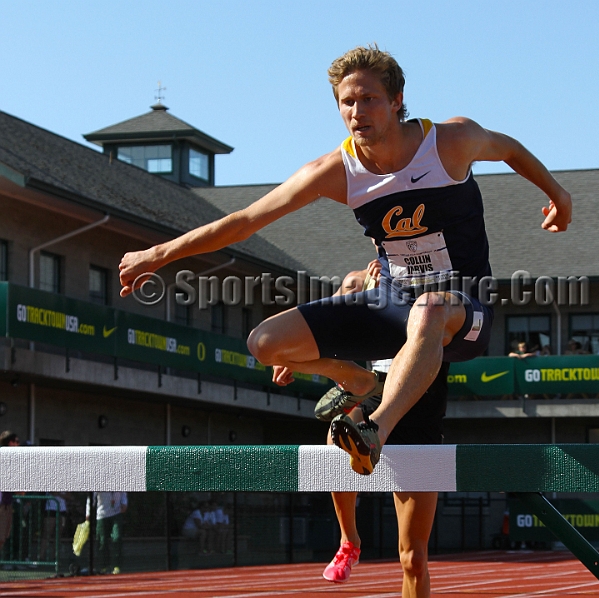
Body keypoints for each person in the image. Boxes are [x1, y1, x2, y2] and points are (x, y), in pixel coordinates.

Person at [118, 44, 572, 491]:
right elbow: (244, 222)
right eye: (347, 102)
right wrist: (156, 256)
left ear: (396, 101)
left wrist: (557, 194)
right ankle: (352, 377)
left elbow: (509, 148)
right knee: (265, 343)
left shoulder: (450, 142)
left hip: (460, 309)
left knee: (430, 309)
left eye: (369, 99)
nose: (357, 111)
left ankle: (375, 428)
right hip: (391, 306)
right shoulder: (336, 170)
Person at [275, 261, 450, 589]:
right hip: (376, 392)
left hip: (421, 405)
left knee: (413, 558)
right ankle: (349, 540)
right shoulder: (358, 282)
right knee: (335, 436)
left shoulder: (442, 286)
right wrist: (292, 357)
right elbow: (324, 328)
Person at [86, 491, 127, 574]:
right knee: (102, 541)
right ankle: (104, 566)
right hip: (102, 515)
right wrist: (88, 513)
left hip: (117, 513)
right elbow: (91, 498)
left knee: (117, 538)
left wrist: (124, 502)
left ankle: (116, 565)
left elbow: (123, 493)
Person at [0, 431, 20, 559]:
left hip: (7, 504)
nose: (18, 444)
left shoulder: (13, 459)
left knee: (3, 538)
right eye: (16, 441)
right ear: (10, 443)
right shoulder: (4, 457)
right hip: (1, 505)